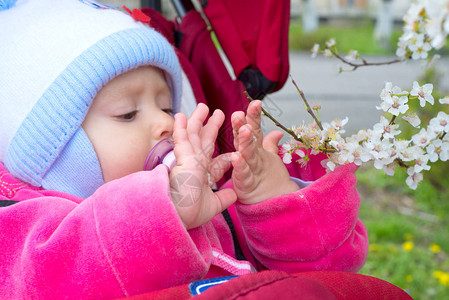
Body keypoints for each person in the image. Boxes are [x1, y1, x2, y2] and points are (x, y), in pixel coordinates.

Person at [0, 0, 368, 298]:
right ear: (54, 153)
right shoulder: (28, 230)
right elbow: (44, 282)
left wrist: (270, 199)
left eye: (166, 106)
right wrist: (160, 214)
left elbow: (328, 270)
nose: (163, 123)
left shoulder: (211, 199)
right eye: (127, 114)